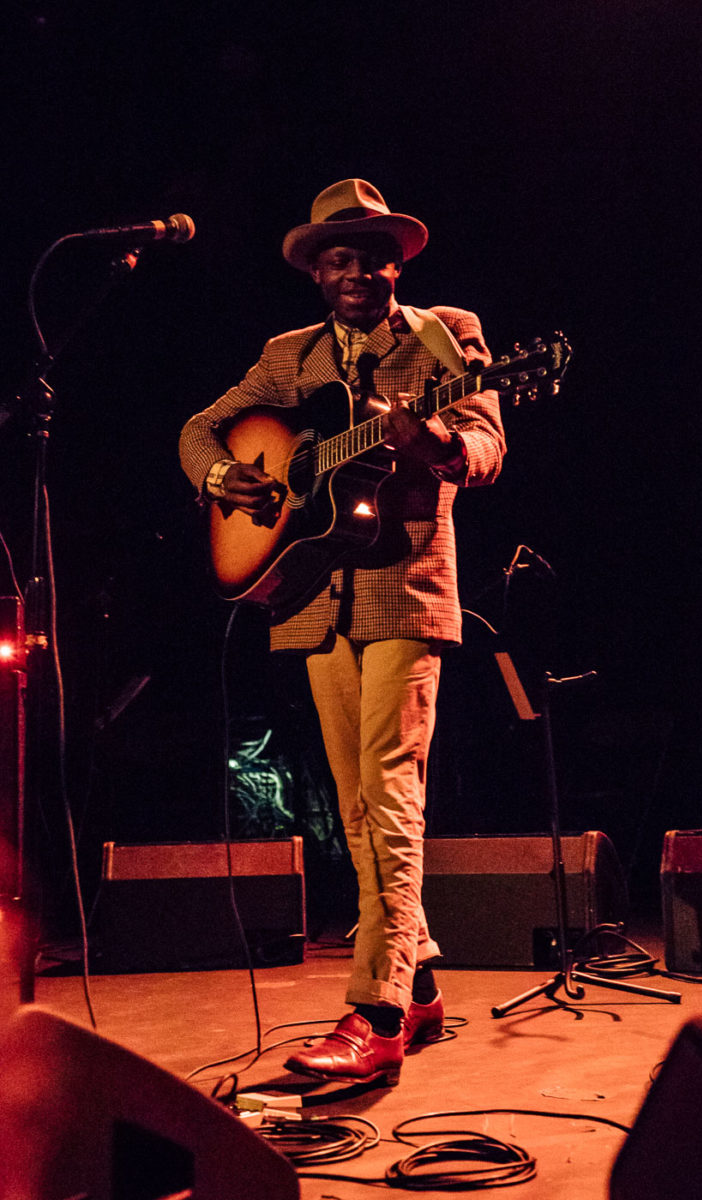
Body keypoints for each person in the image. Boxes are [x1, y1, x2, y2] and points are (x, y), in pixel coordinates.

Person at [179, 179, 506, 1087]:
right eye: (338, 258)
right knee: (354, 803)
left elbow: (485, 444)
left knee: (391, 790)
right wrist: (222, 481)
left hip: (404, 588)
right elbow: (201, 429)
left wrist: (435, 446)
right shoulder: (290, 357)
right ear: (318, 273)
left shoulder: (446, 335)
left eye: (371, 255)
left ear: (397, 262)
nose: (356, 271)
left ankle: (376, 1011)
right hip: (312, 599)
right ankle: (423, 982)